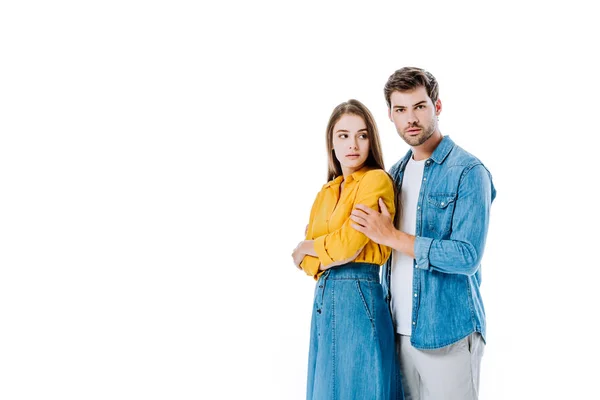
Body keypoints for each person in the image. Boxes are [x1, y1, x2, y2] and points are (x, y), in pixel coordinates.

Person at [350, 67, 496, 400]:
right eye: (400, 109)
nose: (410, 118)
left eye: (419, 106)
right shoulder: (394, 175)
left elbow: (466, 256)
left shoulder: (469, 172)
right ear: (390, 115)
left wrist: (392, 237)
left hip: (448, 334)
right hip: (397, 333)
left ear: (438, 107)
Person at [292, 99, 402, 400]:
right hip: (325, 297)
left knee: (360, 386)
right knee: (326, 389)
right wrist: (318, 256)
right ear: (331, 142)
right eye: (343, 135)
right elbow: (308, 265)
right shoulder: (326, 192)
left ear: (371, 141)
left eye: (362, 135)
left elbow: (349, 245)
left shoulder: (375, 180)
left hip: (358, 294)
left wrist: (305, 247)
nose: (353, 144)